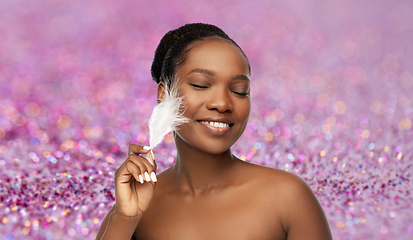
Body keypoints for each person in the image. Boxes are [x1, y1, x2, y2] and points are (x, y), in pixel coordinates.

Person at [96, 23, 332, 240]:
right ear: (163, 94)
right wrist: (125, 219)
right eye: (200, 85)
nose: (222, 103)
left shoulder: (288, 197)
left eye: (239, 90)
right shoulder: (134, 209)